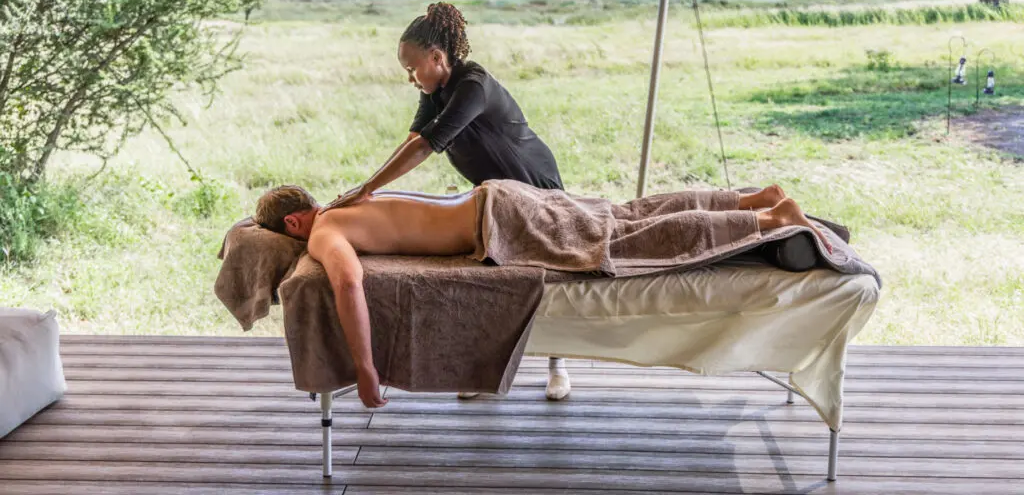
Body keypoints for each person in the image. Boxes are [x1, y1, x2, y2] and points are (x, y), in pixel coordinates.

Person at [253, 183, 829, 409]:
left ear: (297, 221)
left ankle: (767, 219)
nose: (298, 249)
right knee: (621, 217)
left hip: (501, 222)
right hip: (495, 205)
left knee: (619, 242)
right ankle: (751, 200)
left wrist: (366, 369)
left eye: (288, 239)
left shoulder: (326, 230)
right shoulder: (344, 206)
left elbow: (349, 282)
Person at [330, 1, 569, 399]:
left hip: (536, 186)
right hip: (499, 197)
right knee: (494, 282)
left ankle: (558, 365)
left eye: (412, 68)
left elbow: (427, 146)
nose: (409, 78)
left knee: (547, 278)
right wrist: (368, 186)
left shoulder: (472, 84)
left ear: (437, 57)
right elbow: (412, 139)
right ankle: (485, 375)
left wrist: (367, 189)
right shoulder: (434, 90)